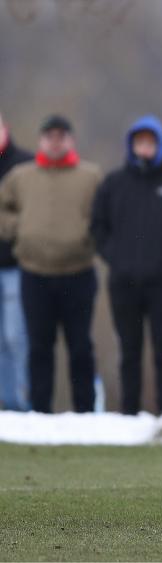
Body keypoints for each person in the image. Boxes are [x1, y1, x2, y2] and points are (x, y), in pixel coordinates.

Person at [91, 115, 162, 415]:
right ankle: (129, 413)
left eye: (150, 143)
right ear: (131, 145)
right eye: (140, 142)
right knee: (129, 351)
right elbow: (98, 227)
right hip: (123, 282)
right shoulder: (114, 184)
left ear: (160, 146)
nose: (145, 148)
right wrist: (116, 258)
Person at [0, 115, 102, 413]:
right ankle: (39, 413)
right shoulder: (22, 176)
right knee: (37, 348)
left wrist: (87, 235)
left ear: (71, 140)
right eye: (50, 136)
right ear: (41, 140)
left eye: (61, 136)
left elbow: (105, 215)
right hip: (35, 273)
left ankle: (85, 412)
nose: (55, 142)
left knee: (80, 347)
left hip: (78, 273)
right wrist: (20, 228)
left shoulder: (90, 176)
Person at [0, 110, 33, 411]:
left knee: (16, 337)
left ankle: (23, 404)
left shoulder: (24, 165)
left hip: (14, 266)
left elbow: (33, 216)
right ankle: (6, 405)